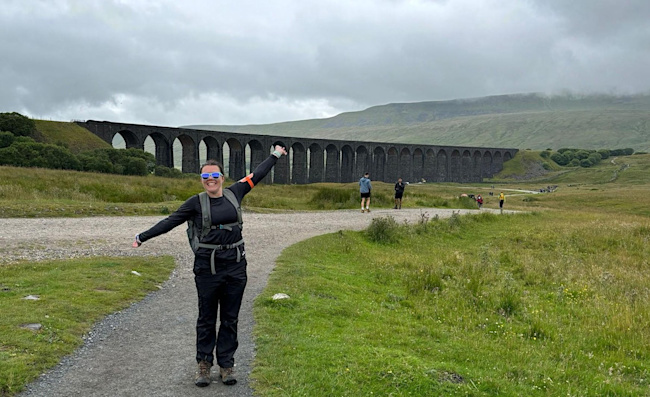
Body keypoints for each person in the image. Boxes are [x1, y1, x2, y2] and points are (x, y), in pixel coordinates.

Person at [132, 145, 287, 387]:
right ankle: (204, 365)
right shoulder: (195, 203)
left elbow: (258, 174)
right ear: (201, 180)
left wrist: (275, 155)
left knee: (230, 317)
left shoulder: (236, 192)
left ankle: (226, 365)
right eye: (206, 176)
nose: (210, 180)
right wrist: (142, 237)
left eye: (214, 176)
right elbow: (170, 221)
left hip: (235, 265)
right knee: (206, 317)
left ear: (222, 178)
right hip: (207, 268)